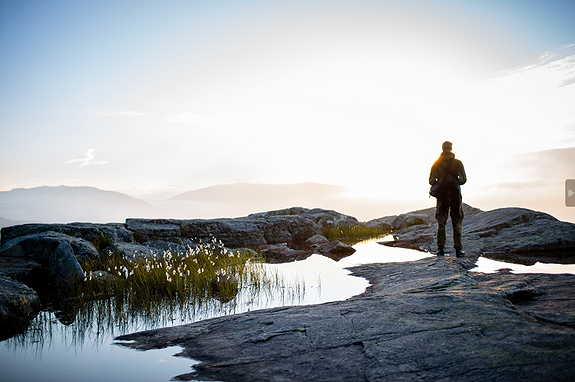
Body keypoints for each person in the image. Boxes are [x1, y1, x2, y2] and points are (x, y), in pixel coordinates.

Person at [429, 141, 467, 257]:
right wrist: (454, 183)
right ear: (451, 149)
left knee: (441, 223)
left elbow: (431, 181)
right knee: (457, 222)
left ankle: (440, 249)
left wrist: (441, 183)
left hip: (442, 197)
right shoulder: (458, 162)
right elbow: (464, 180)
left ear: (442, 149)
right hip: (455, 196)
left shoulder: (436, 163)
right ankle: (458, 250)